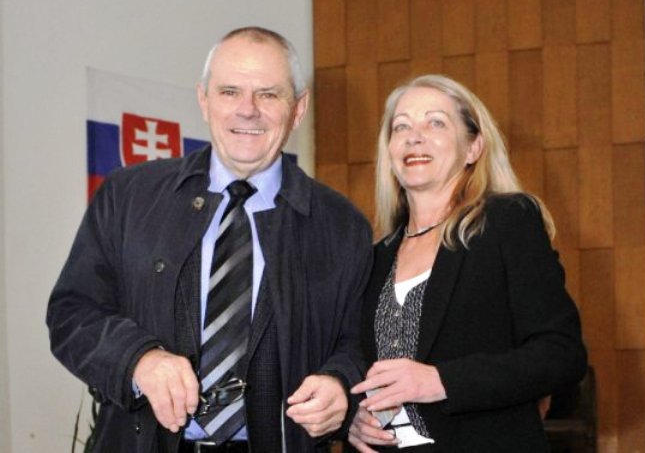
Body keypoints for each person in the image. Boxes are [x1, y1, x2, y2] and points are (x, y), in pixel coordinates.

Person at [47, 27, 373, 452]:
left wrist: (340, 382)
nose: (247, 110)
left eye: (269, 94)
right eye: (229, 92)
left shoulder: (343, 226)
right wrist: (139, 359)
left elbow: (358, 341)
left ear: (299, 108)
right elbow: (71, 313)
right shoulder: (128, 197)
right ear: (204, 100)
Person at [347, 75, 587, 451]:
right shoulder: (374, 256)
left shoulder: (507, 222)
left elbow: (561, 354)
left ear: (473, 147)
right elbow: (354, 362)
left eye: (435, 123)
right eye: (401, 126)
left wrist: (442, 381)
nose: (414, 137)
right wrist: (353, 418)